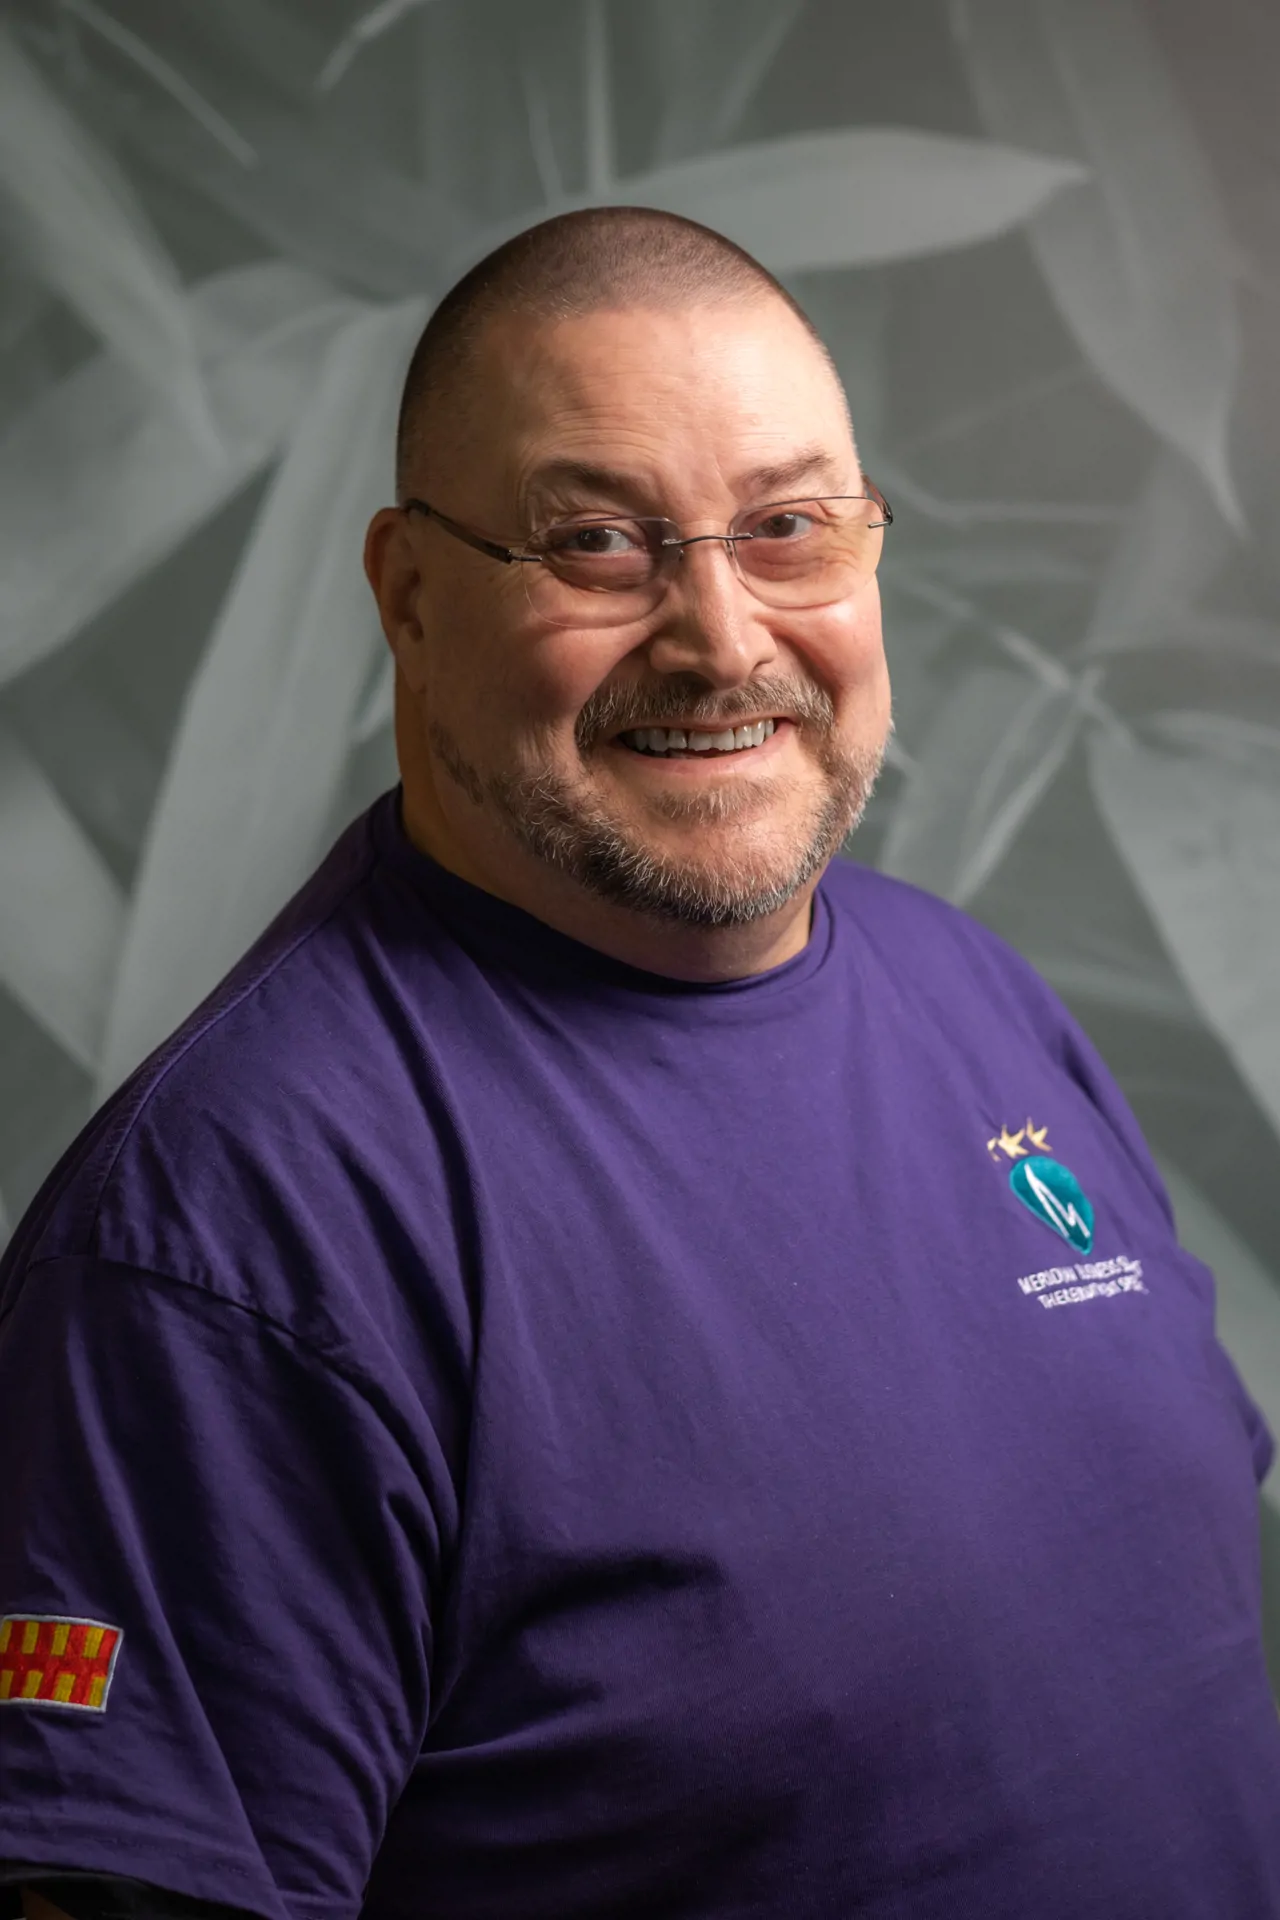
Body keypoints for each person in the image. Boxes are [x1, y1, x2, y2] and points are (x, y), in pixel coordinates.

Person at [1, 205, 1278, 1920]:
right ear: (409, 592)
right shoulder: (232, 1239)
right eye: (600, 542)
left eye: (789, 530)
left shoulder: (974, 998)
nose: (724, 638)